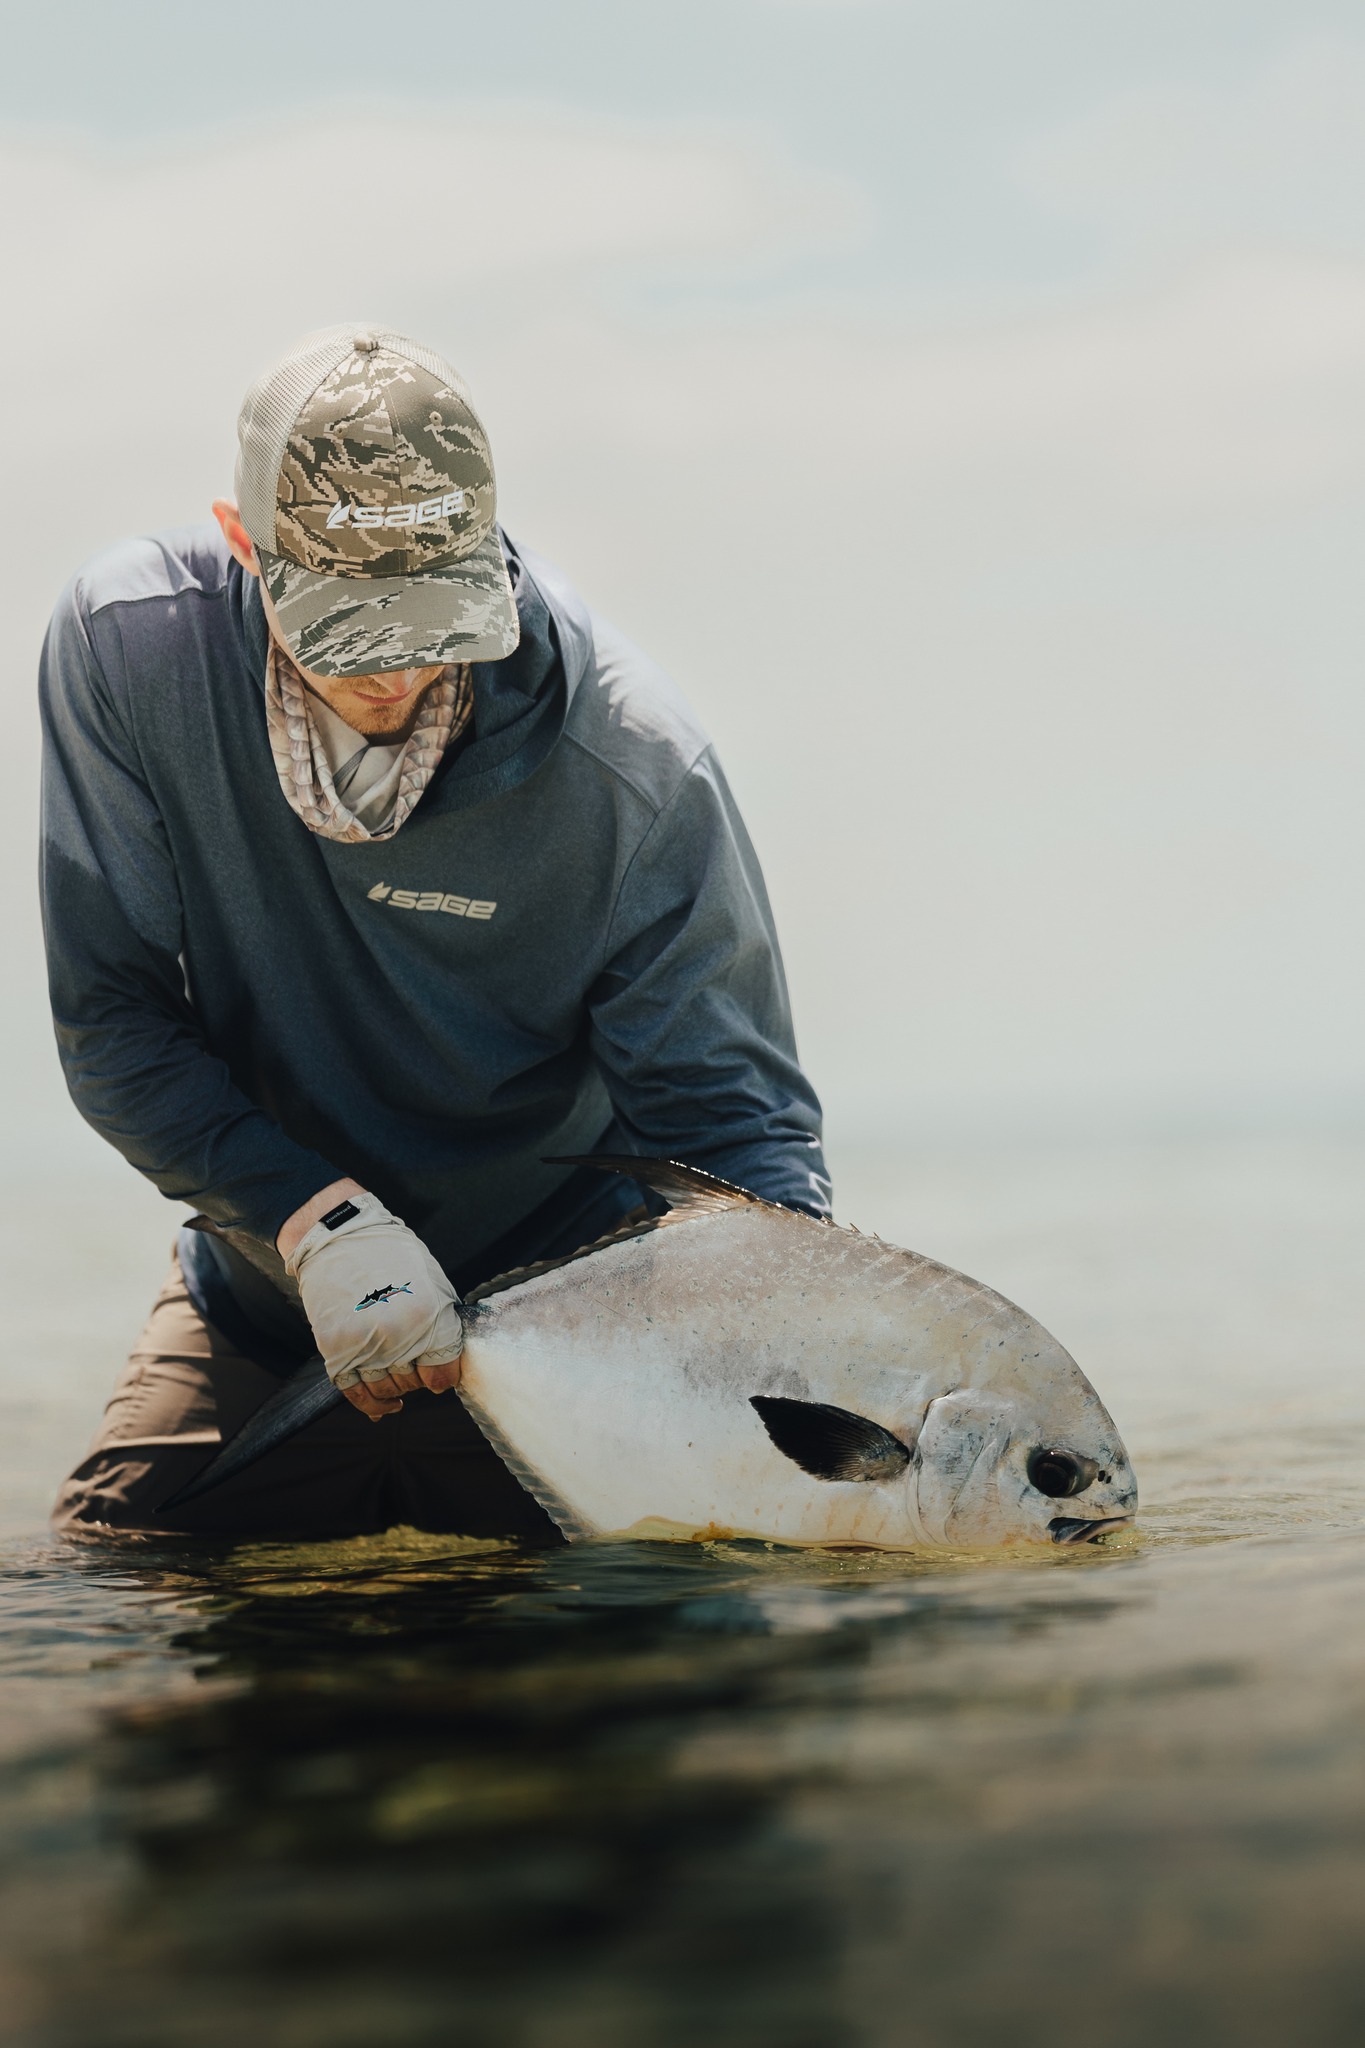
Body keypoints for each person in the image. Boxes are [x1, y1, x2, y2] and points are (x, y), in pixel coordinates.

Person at [40, 323, 830, 1540]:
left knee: (641, 1687)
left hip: (568, 1318)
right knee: (108, 1596)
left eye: (432, 618)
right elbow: (116, 1023)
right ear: (243, 543)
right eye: (354, 627)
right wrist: (311, 1222)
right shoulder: (125, 651)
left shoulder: (631, 766)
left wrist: (808, 1377)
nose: (395, 671)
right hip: (268, 1284)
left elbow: (730, 1132)